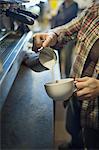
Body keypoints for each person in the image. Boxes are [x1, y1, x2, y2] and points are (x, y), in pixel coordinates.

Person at [32, 1, 99, 149]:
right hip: (75, 91)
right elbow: (70, 28)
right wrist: (52, 35)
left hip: (96, 110)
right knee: (73, 128)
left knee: (93, 140)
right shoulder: (96, 7)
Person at [51, 0, 78, 78]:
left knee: (67, 57)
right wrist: (52, 31)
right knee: (57, 55)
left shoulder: (74, 5)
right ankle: (59, 75)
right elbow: (56, 18)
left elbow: (66, 17)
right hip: (58, 34)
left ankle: (67, 76)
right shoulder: (61, 5)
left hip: (69, 35)